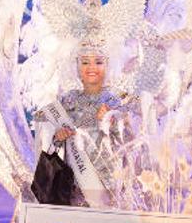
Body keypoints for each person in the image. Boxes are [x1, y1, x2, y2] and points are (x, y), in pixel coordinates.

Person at [33, 44, 128, 208]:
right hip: (74, 184)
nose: (92, 67)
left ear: (107, 66)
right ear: (77, 67)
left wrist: (110, 122)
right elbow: (51, 140)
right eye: (85, 62)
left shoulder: (115, 100)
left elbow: (126, 141)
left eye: (98, 62)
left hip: (105, 183)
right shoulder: (67, 100)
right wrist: (57, 137)